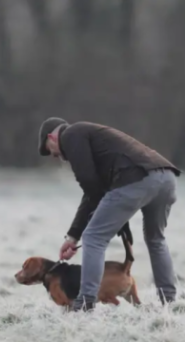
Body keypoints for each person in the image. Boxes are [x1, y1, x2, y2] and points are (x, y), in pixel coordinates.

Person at [38, 117, 181, 311]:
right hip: (166, 177)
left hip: (136, 180)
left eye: (50, 150)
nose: (56, 156)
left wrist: (110, 220)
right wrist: (72, 236)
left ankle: (85, 302)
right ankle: (170, 301)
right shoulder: (92, 139)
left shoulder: (71, 135)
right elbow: (92, 191)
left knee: (93, 237)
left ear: (52, 137)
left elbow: (88, 182)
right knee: (156, 239)